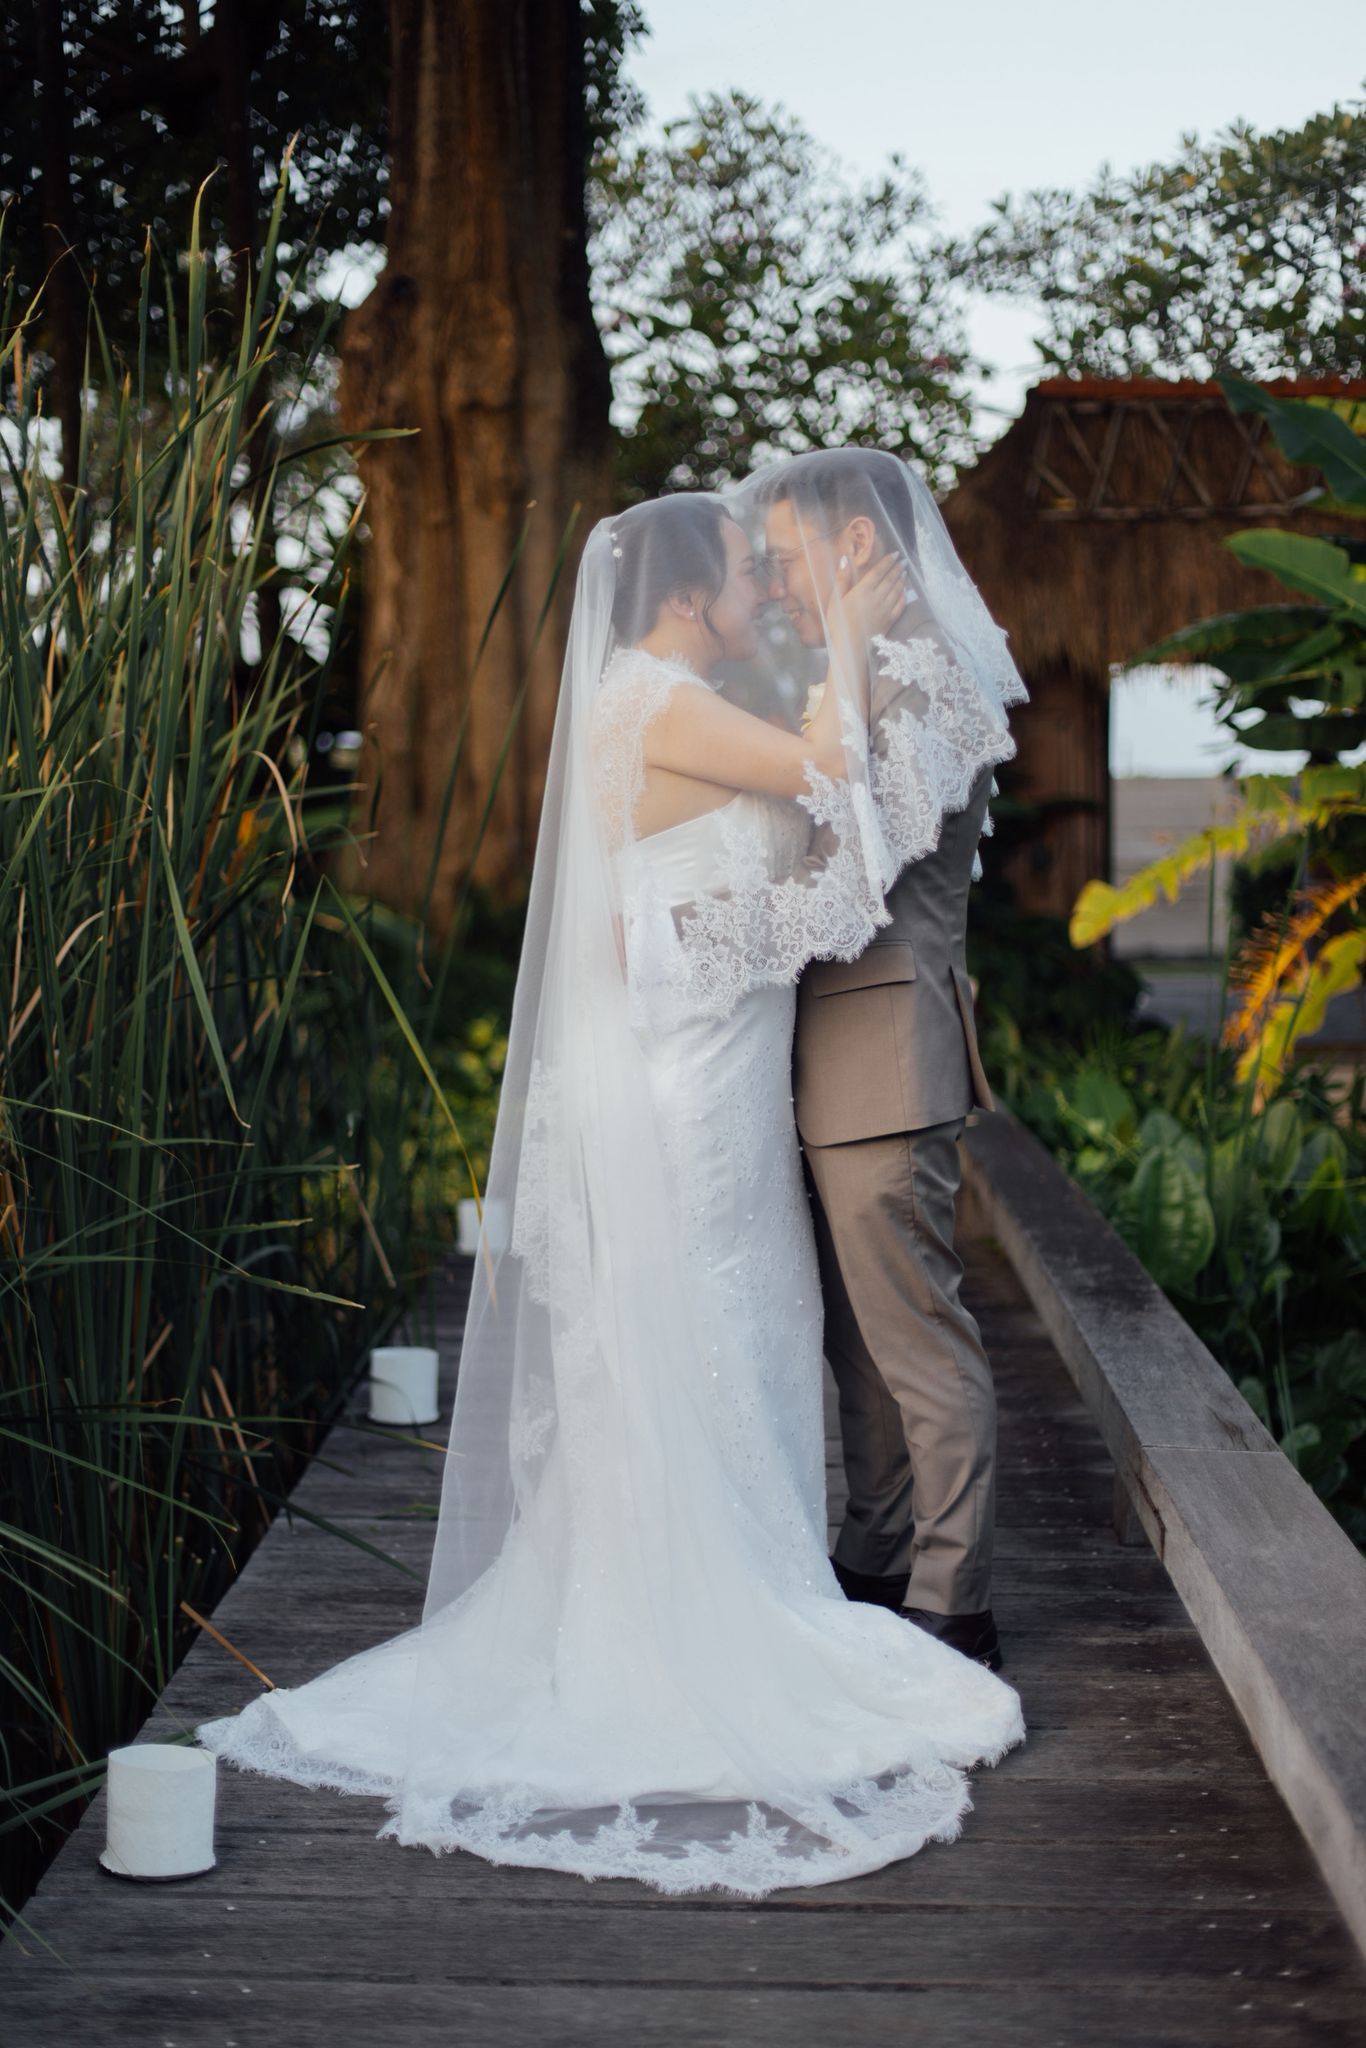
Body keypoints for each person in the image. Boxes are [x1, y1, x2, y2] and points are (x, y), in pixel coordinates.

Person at [194, 469, 1028, 1898]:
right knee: (717, 1323)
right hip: (696, 1084)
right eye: (747, 570)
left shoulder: (662, 699)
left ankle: (762, 1572)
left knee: (738, 1331)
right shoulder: (660, 702)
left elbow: (745, 871)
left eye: (779, 564)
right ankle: (721, 1601)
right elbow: (825, 787)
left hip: (719, 1067)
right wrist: (837, 646)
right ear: (688, 593)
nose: (765, 587)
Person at [736, 448, 1025, 1671]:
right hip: (829, 1060)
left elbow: (854, 882)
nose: (773, 587)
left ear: (853, 542)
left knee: (916, 1341)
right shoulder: (866, 666)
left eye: (784, 561)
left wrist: (697, 936)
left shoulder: (929, 673)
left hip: (885, 1060)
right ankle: (875, 1554)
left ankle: (954, 1603)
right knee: (856, 1344)